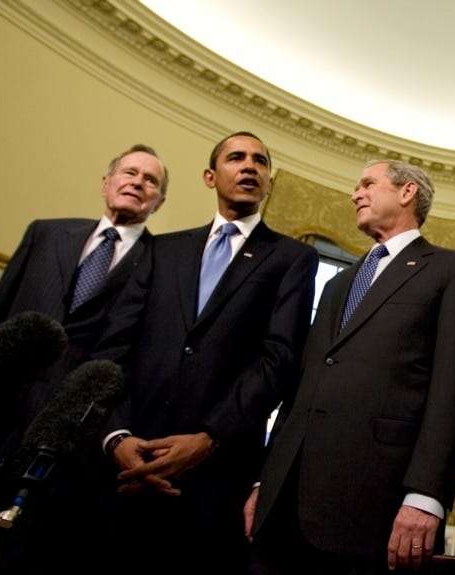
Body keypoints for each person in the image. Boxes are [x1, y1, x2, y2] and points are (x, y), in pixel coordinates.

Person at [245, 159, 455, 575]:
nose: (354, 193)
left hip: (370, 502)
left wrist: (425, 496)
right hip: (284, 497)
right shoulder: (339, 282)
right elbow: (306, 382)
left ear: (407, 191)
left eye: (367, 184)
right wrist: (264, 479)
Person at [91, 131, 319, 575]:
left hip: (217, 476)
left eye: (259, 161)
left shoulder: (291, 258)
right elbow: (115, 348)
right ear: (210, 176)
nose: (249, 166)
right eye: (236, 158)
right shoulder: (162, 249)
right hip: (131, 469)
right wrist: (117, 437)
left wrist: (209, 438)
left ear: (269, 183)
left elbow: (278, 358)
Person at [0, 144, 167, 570]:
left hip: (71, 440)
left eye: (150, 180)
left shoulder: (163, 264)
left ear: (160, 201)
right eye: (129, 172)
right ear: (106, 183)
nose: (137, 181)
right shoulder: (45, 233)